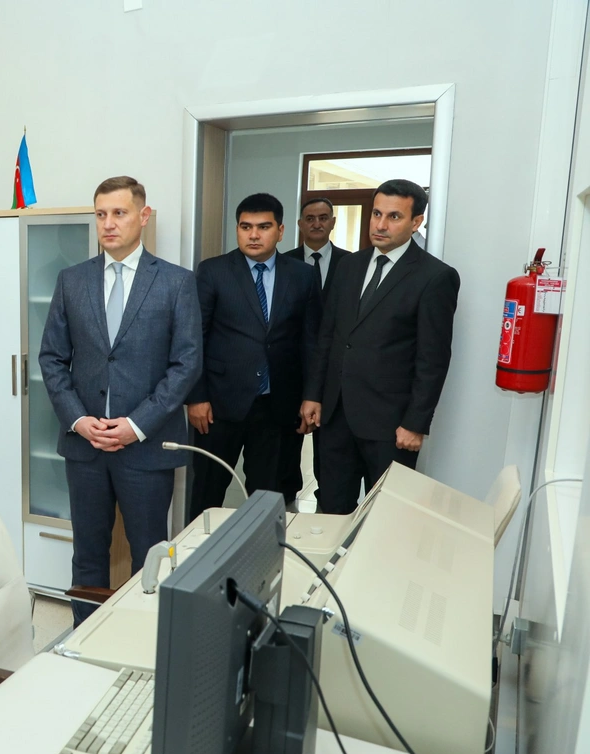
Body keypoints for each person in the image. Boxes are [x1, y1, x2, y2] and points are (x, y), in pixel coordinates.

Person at [38, 176, 201, 626]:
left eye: (119, 213)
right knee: (88, 553)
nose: (108, 224)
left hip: (146, 447)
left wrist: (136, 425)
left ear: (143, 216)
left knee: (149, 555)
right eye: (101, 214)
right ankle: (83, 638)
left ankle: (141, 639)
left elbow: (186, 365)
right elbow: (52, 358)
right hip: (85, 446)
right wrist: (77, 420)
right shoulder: (72, 280)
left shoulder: (176, 282)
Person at [302, 179, 460, 514]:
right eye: (376, 214)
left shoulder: (434, 277)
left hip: (391, 426)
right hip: (336, 416)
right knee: (331, 509)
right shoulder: (348, 266)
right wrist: (313, 394)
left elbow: (432, 359)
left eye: (394, 217)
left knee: (387, 516)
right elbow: (328, 336)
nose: (381, 224)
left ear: (416, 222)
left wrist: (415, 423)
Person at [186, 193, 321, 521]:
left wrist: (311, 395)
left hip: (277, 406)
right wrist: (196, 397)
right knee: (206, 495)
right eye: (246, 227)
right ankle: (198, 552)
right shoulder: (213, 271)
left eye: (263, 227)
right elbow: (194, 338)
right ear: (237, 229)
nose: (254, 235)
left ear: (281, 230)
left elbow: (311, 341)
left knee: (266, 499)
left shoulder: (302, 275)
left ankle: (260, 552)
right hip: (218, 406)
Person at [279, 197, 352, 507]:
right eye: (310, 218)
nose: (317, 223)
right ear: (300, 224)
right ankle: (287, 499)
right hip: (292, 369)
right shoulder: (283, 263)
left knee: (330, 449)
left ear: (333, 222)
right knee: (286, 446)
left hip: (336, 371)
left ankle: (327, 499)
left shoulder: (352, 265)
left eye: (323, 217)